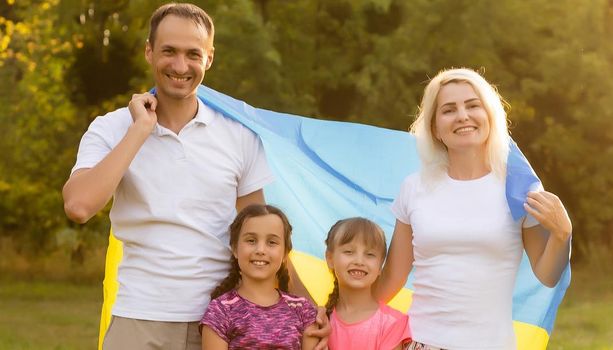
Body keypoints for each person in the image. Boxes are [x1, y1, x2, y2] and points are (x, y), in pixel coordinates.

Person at [61, 3, 326, 349]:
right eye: (169, 51)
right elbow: (79, 206)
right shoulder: (112, 128)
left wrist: (307, 307)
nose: (180, 66)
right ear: (149, 51)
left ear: (209, 58)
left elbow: (263, 234)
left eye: (193, 54)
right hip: (141, 318)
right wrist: (140, 131)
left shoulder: (239, 136)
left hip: (223, 322)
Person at [374, 68, 573, 350]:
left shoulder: (518, 188)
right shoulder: (413, 188)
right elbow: (393, 277)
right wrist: (344, 314)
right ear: (434, 128)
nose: (463, 116)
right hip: (423, 343)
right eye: (448, 110)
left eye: (472, 105)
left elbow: (547, 275)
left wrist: (563, 234)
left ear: (490, 116)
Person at [201, 204, 319, 350]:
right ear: (235, 248)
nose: (260, 250)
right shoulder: (220, 311)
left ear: (285, 253)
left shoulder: (303, 309)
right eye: (251, 240)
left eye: (272, 242)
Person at [324, 218, 411, 350]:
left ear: (380, 266)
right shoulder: (320, 320)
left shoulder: (393, 323)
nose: (359, 261)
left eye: (370, 254)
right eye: (349, 252)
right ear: (330, 258)